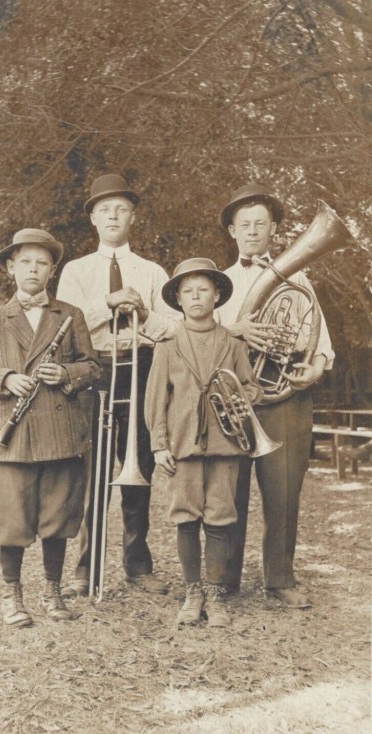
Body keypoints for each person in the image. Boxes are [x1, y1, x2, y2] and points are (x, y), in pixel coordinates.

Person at [56, 174, 181, 597]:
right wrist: (105, 303)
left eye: (121, 208)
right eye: (104, 209)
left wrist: (143, 314)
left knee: (138, 471)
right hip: (93, 371)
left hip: (141, 367)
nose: (113, 215)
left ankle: (137, 566)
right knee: (91, 474)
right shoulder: (75, 271)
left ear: (133, 217)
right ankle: (84, 567)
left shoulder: (152, 271)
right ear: (92, 218)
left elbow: (173, 330)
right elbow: (64, 327)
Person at [0, 228, 101, 628]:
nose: (33, 269)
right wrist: (8, 379)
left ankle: (52, 590)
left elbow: (93, 367)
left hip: (60, 432)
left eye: (42, 262)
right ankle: (12, 595)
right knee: (11, 519)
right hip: (12, 438)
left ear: (52, 270)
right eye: (25, 261)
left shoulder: (70, 315)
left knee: (58, 518)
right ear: (11, 268)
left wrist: (64, 372)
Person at [217, 183, 335, 608]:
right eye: (244, 224)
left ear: (273, 230)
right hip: (234, 401)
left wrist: (314, 369)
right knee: (228, 492)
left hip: (284, 401)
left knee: (284, 491)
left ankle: (280, 578)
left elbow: (319, 340)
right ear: (232, 231)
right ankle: (224, 578)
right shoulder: (219, 283)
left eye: (261, 224)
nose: (252, 231)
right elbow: (202, 340)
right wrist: (237, 330)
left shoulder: (299, 279)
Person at [145, 258, 262, 626]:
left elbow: (251, 385)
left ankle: (217, 594)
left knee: (221, 519)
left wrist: (246, 395)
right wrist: (159, 445)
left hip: (227, 445)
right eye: (188, 292)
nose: (196, 297)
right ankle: (192, 592)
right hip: (182, 445)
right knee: (185, 518)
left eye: (204, 290)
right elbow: (155, 400)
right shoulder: (167, 344)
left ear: (217, 295)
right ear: (178, 299)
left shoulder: (233, 342)